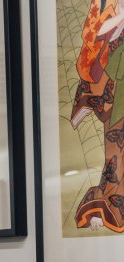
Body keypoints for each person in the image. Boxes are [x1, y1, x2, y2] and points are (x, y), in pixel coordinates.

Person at [72, 0, 124, 232]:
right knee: (116, 150)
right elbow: (91, 32)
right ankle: (107, 206)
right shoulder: (103, 3)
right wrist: (120, 19)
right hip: (114, 83)